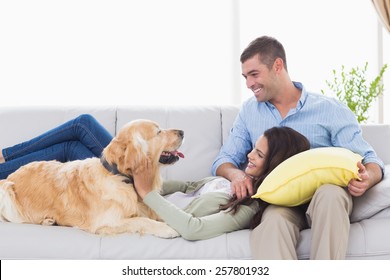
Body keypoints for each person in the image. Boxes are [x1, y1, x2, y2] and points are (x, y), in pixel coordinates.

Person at [211, 36, 384, 259]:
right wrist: (235, 175)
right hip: (280, 201)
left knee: (331, 195)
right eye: (245, 77)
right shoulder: (249, 112)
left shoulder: (330, 110)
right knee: (273, 221)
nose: (249, 84)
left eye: (254, 74)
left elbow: (370, 159)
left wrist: (369, 176)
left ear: (277, 66)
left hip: (324, 196)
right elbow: (223, 160)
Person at [133, 126, 310, 241]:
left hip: (147, 210)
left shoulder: (248, 206)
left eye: (259, 154)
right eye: (254, 148)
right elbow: (188, 187)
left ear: (274, 165)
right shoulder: (238, 180)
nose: (249, 155)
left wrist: (148, 193)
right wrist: (141, 183)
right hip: (140, 196)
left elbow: (194, 229)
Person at [0, 114, 112, 179]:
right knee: (70, 147)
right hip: (124, 170)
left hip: (124, 176)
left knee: (82, 123)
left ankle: (6, 156)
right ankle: (6, 157)